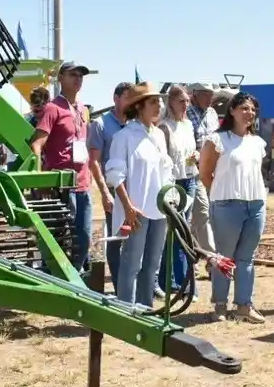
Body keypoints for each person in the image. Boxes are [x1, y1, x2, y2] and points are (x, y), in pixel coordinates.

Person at [199, 91, 268, 323]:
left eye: (252, 109)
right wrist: (221, 194)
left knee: (247, 258)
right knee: (225, 257)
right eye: (244, 108)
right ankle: (219, 304)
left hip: (255, 205)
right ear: (232, 110)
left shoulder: (258, 142)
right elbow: (205, 173)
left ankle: (243, 306)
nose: (249, 113)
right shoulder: (218, 140)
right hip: (227, 205)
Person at [104, 82, 172, 307]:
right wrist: (128, 207)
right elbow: (115, 176)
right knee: (132, 262)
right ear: (139, 107)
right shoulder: (124, 137)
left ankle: (145, 309)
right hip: (136, 210)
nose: (159, 106)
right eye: (153, 101)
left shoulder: (159, 135)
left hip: (160, 209)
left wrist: (170, 203)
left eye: (160, 101)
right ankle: (126, 309)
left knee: (152, 263)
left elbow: (165, 172)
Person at [30, 62, 93, 273]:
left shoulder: (83, 109)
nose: (78, 78)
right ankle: (54, 279)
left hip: (83, 183)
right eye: (73, 74)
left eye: (81, 75)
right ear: (61, 78)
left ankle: (73, 277)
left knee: (83, 238)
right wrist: (39, 180)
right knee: (58, 239)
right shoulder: (53, 108)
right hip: (60, 186)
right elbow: (37, 144)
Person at [87, 82, 133, 285]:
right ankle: (118, 286)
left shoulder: (135, 125)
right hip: (114, 190)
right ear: (115, 98)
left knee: (135, 240)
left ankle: (132, 284)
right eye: (127, 97)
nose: (131, 102)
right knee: (116, 240)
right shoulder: (101, 125)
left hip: (135, 189)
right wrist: (105, 193)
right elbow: (94, 161)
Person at [157, 85, 199, 297]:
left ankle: (174, 280)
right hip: (173, 183)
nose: (185, 105)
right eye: (181, 101)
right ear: (171, 102)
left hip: (190, 178)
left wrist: (196, 157)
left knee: (183, 231)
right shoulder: (164, 128)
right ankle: (176, 281)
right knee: (176, 232)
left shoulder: (189, 125)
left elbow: (192, 150)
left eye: (187, 101)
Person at [186, 83, 220, 263]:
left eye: (210, 95)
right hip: (195, 170)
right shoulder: (187, 112)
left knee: (204, 215)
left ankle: (194, 255)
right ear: (194, 95)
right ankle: (212, 260)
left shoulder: (213, 114)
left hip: (214, 170)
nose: (208, 99)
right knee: (202, 214)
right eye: (205, 95)